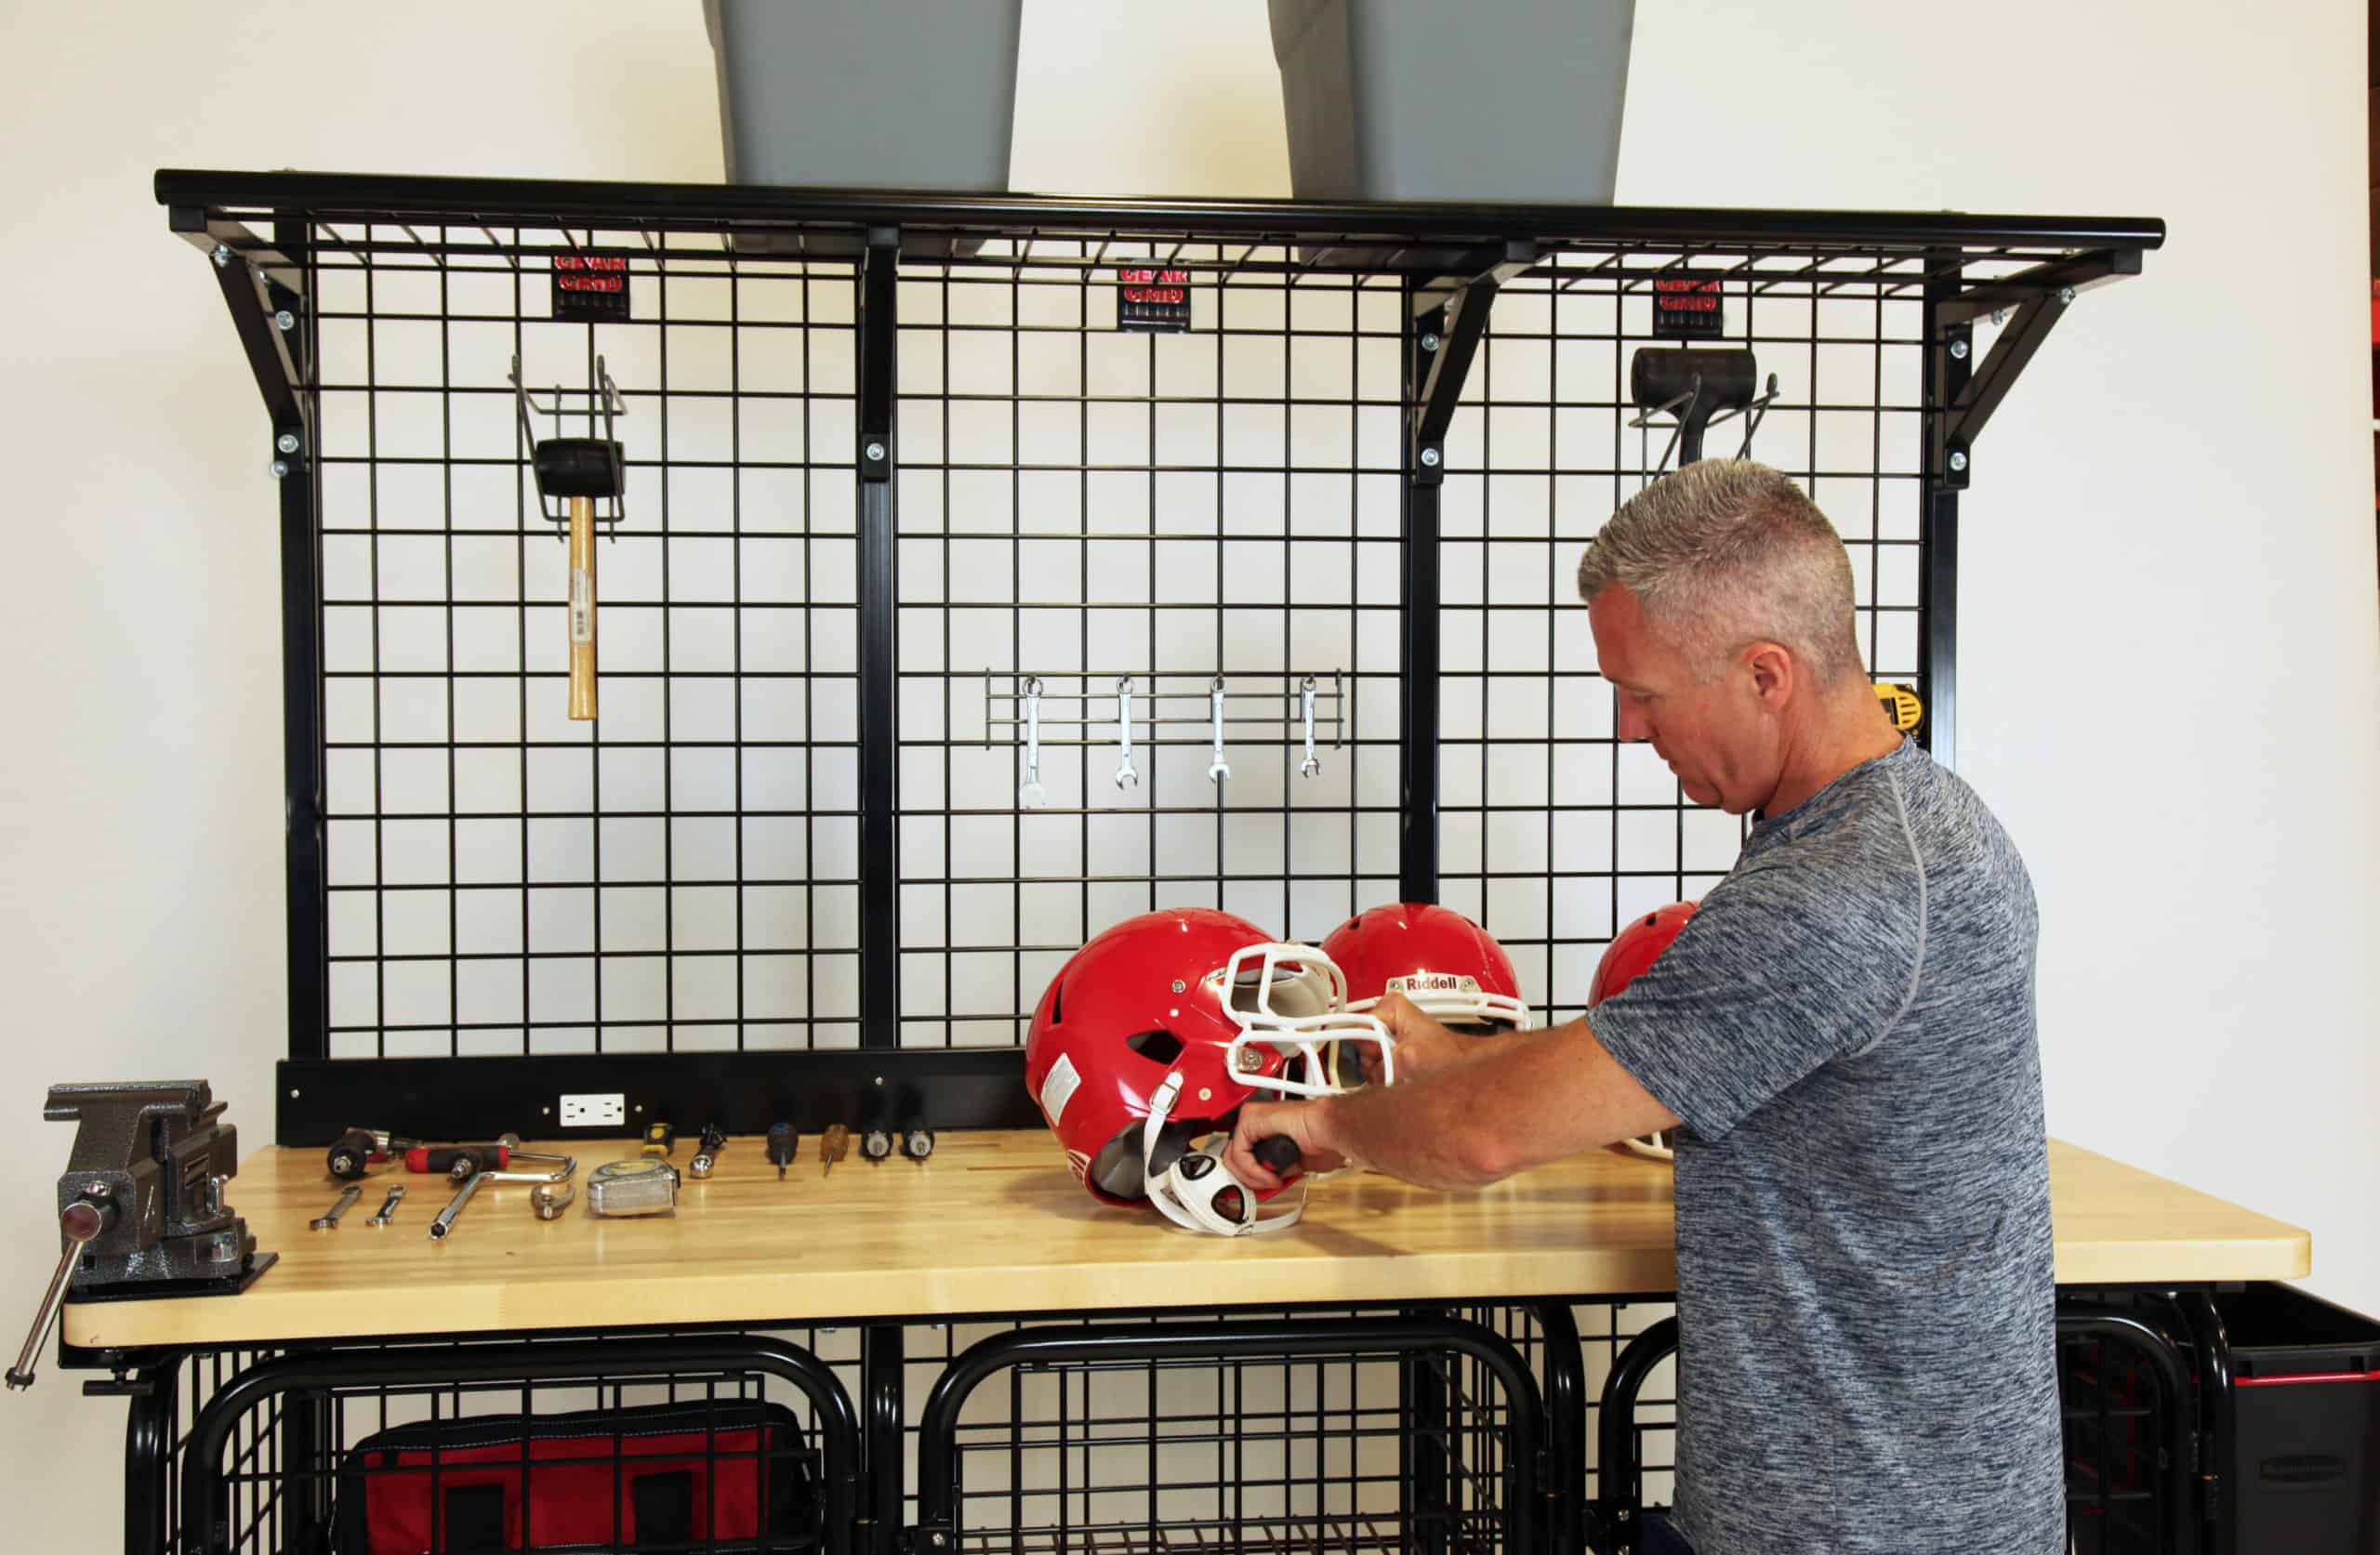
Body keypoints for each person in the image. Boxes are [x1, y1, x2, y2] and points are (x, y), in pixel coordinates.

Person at [1225, 459, 2064, 1554]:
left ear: (1765, 674)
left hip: (1860, 1525)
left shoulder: (1836, 892)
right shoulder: (1914, 822)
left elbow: (1485, 1139)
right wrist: (1448, 1058)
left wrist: (1328, 1125)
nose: (1628, 728)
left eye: (1646, 693)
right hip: (1890, 1509)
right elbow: (1680, 1064)